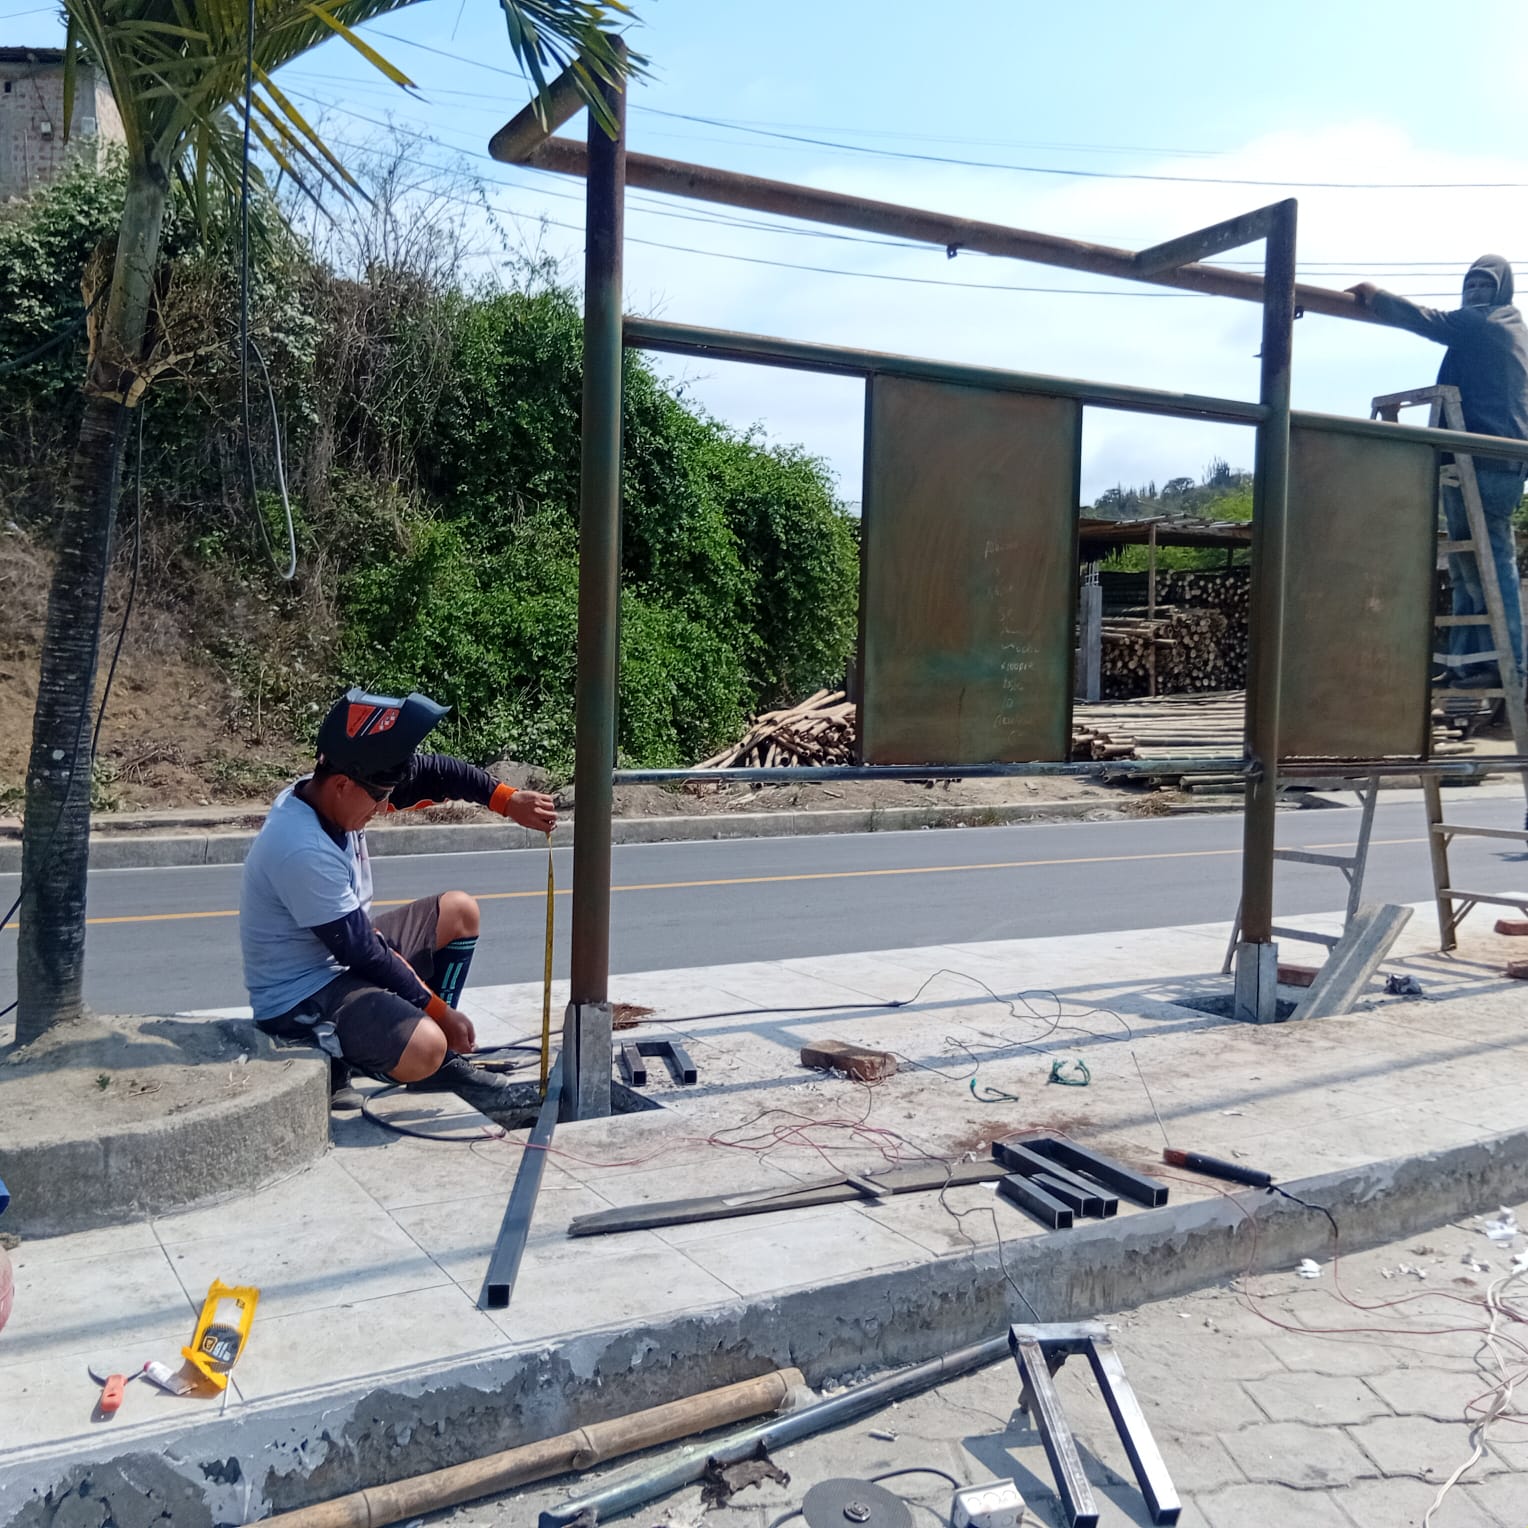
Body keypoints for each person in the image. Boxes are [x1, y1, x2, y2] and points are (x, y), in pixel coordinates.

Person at [239, 687, 558, 1113]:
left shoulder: (335, 794)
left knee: (459, 911)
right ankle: (390, 1058)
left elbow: (437, 773)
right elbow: (364, 953)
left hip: (342, 962)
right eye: (378, 798)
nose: (383, 808)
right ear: (342, 785)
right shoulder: (300, 847)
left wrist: (507, 800)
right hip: (300, 998)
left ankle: (433, 1063)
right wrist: (440, 1013)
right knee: (427, 1044)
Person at [1347, 256, 1528, 697]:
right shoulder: (1502, 330)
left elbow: (1426, 320)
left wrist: (1376, 297)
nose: (1474, 293)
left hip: (1488, 459)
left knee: (1491, 561)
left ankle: (1509, 665)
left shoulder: (1488, 323)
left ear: (1501, 291)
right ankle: (1468, 662)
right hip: (1475, 459)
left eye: (1483, 285)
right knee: (1468, 564)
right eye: (1470, 285)